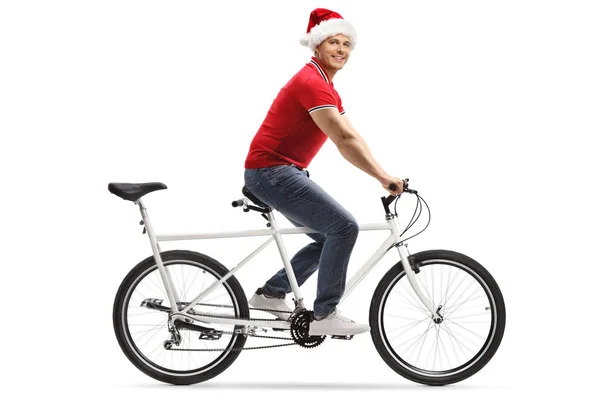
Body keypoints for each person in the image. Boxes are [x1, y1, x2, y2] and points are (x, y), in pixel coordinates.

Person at [244, 8, 404, 336]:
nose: (341, 50)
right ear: (317, 46)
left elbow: (352, 134)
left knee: (327, 238)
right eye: (334, 42)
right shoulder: (311, 83)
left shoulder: (326, 86)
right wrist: (381, 177)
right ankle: (324, 314)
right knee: (344, 228)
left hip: (282, 171)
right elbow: (343, 140)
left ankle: (271, 295)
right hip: (271, 170)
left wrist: (383, 171)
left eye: (347, 44)